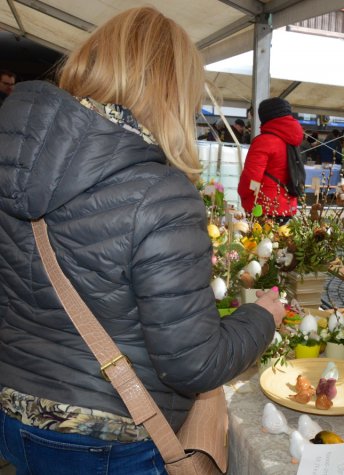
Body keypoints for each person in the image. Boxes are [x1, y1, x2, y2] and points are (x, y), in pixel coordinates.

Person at [0, 7, 285, 473]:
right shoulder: (159, 193)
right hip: (108, 438)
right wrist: (262, 316)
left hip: (15, 416)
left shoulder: (16, 162)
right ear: (173, 91)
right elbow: (195, 364)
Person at [238, 97, 303, 219]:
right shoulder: (292, 139)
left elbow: (252, 179)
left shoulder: (264, 141)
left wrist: (243, 194)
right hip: (288, 206)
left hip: (265, 207)